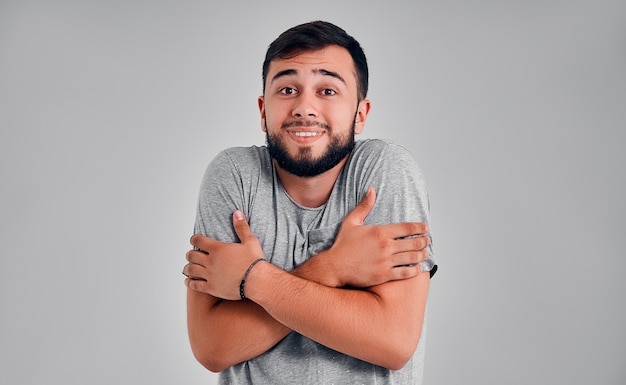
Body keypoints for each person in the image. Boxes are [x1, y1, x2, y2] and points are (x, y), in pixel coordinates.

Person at [182, 20, 437, 384]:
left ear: (360, 114)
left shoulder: (385, 170)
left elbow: (392, 342)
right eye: (287, 89)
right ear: (263, 110)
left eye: (328, 91)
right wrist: (333, 268)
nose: (305, 107)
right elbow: (212, 347)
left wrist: (250, 279)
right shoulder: (233, 175)